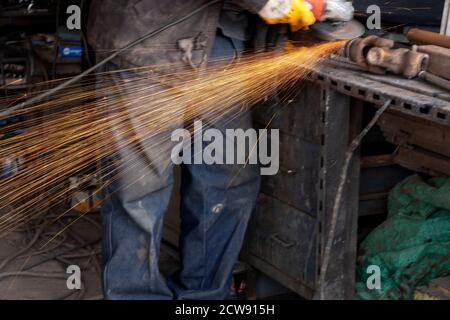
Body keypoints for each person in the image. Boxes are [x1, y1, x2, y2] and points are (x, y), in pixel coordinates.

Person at [86, 0, 353, 300]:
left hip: (224, 41)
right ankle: (134, 296)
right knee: (138, 187)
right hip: (148, 37)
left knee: (227, 183)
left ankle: (204, 296)